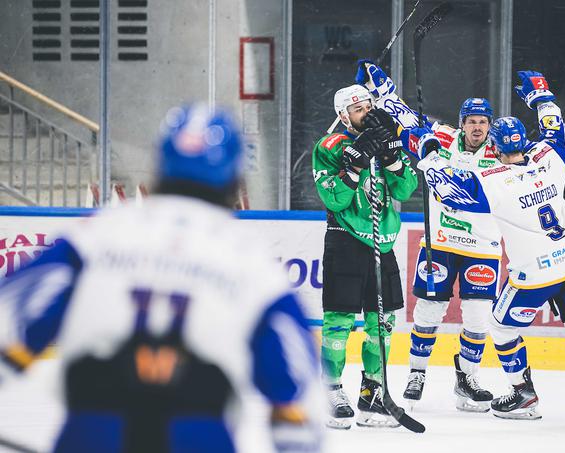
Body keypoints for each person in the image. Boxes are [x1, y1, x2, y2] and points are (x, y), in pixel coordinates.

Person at [0, 103, 324, 452]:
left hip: (92, 434)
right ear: (235, 179)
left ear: (159, 165)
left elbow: (10, 320)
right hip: (199, 439)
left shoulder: (95, 236)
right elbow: (299, 404)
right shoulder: (250, 260)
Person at [415, 70, 565, 422]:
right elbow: (555, 131)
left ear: (496, 146)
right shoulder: (550, 161)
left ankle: (522, 395)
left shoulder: (493, 182)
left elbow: (447, 190)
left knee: (501, 327)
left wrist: (428, 156)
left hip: (535, 274)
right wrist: (542, 96)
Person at [355, 60, 502, 412]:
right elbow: (407, 118)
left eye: (483, 121)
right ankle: (416, 373)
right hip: (440, 244)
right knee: (428, 311)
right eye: (472, 121)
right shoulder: (445, 138)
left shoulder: (503, 153)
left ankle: (467, 379)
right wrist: (382, 88)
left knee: (478, 317)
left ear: (490, 125)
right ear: (462, 122)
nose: (477, 127)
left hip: (484, 248)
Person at [312, 84, 418, 429]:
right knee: (339, 323)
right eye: (359, 109)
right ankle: (331, 390)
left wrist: (390, 156)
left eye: (370, 105)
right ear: (343, 116)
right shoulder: (329, 147)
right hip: (345, 240)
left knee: (381, 326)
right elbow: (335, 200)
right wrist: (354, 164)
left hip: (382, 242)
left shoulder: (385, 140)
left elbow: (405, 189)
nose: (368, 113)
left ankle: (373, 392)